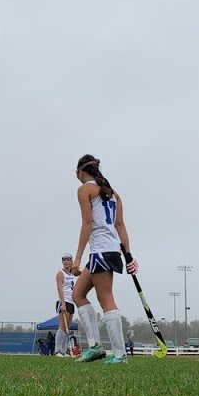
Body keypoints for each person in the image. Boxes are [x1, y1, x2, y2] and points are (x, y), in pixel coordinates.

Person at [71, 155, 137, 364]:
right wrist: (128, 255)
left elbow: (87, 224)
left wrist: (77, 258)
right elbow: (121, 226)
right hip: (110, 251)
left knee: (105, 298)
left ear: (80, 172)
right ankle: (95, 347)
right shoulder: (114, 194)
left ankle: (120, 354)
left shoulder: (85, 189)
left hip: (100, 250)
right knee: (78, 294)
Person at [54, 253, 79, 357]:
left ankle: (64, 351)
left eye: (68, 259)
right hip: (64, 301)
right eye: (63, 260)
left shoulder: (72, 274)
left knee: (67, 327)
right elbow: (60, 288)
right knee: (62, 326)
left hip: (71, 301)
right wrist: (63, 303)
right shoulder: (60, 273)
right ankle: (57, 350)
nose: (65, 261)